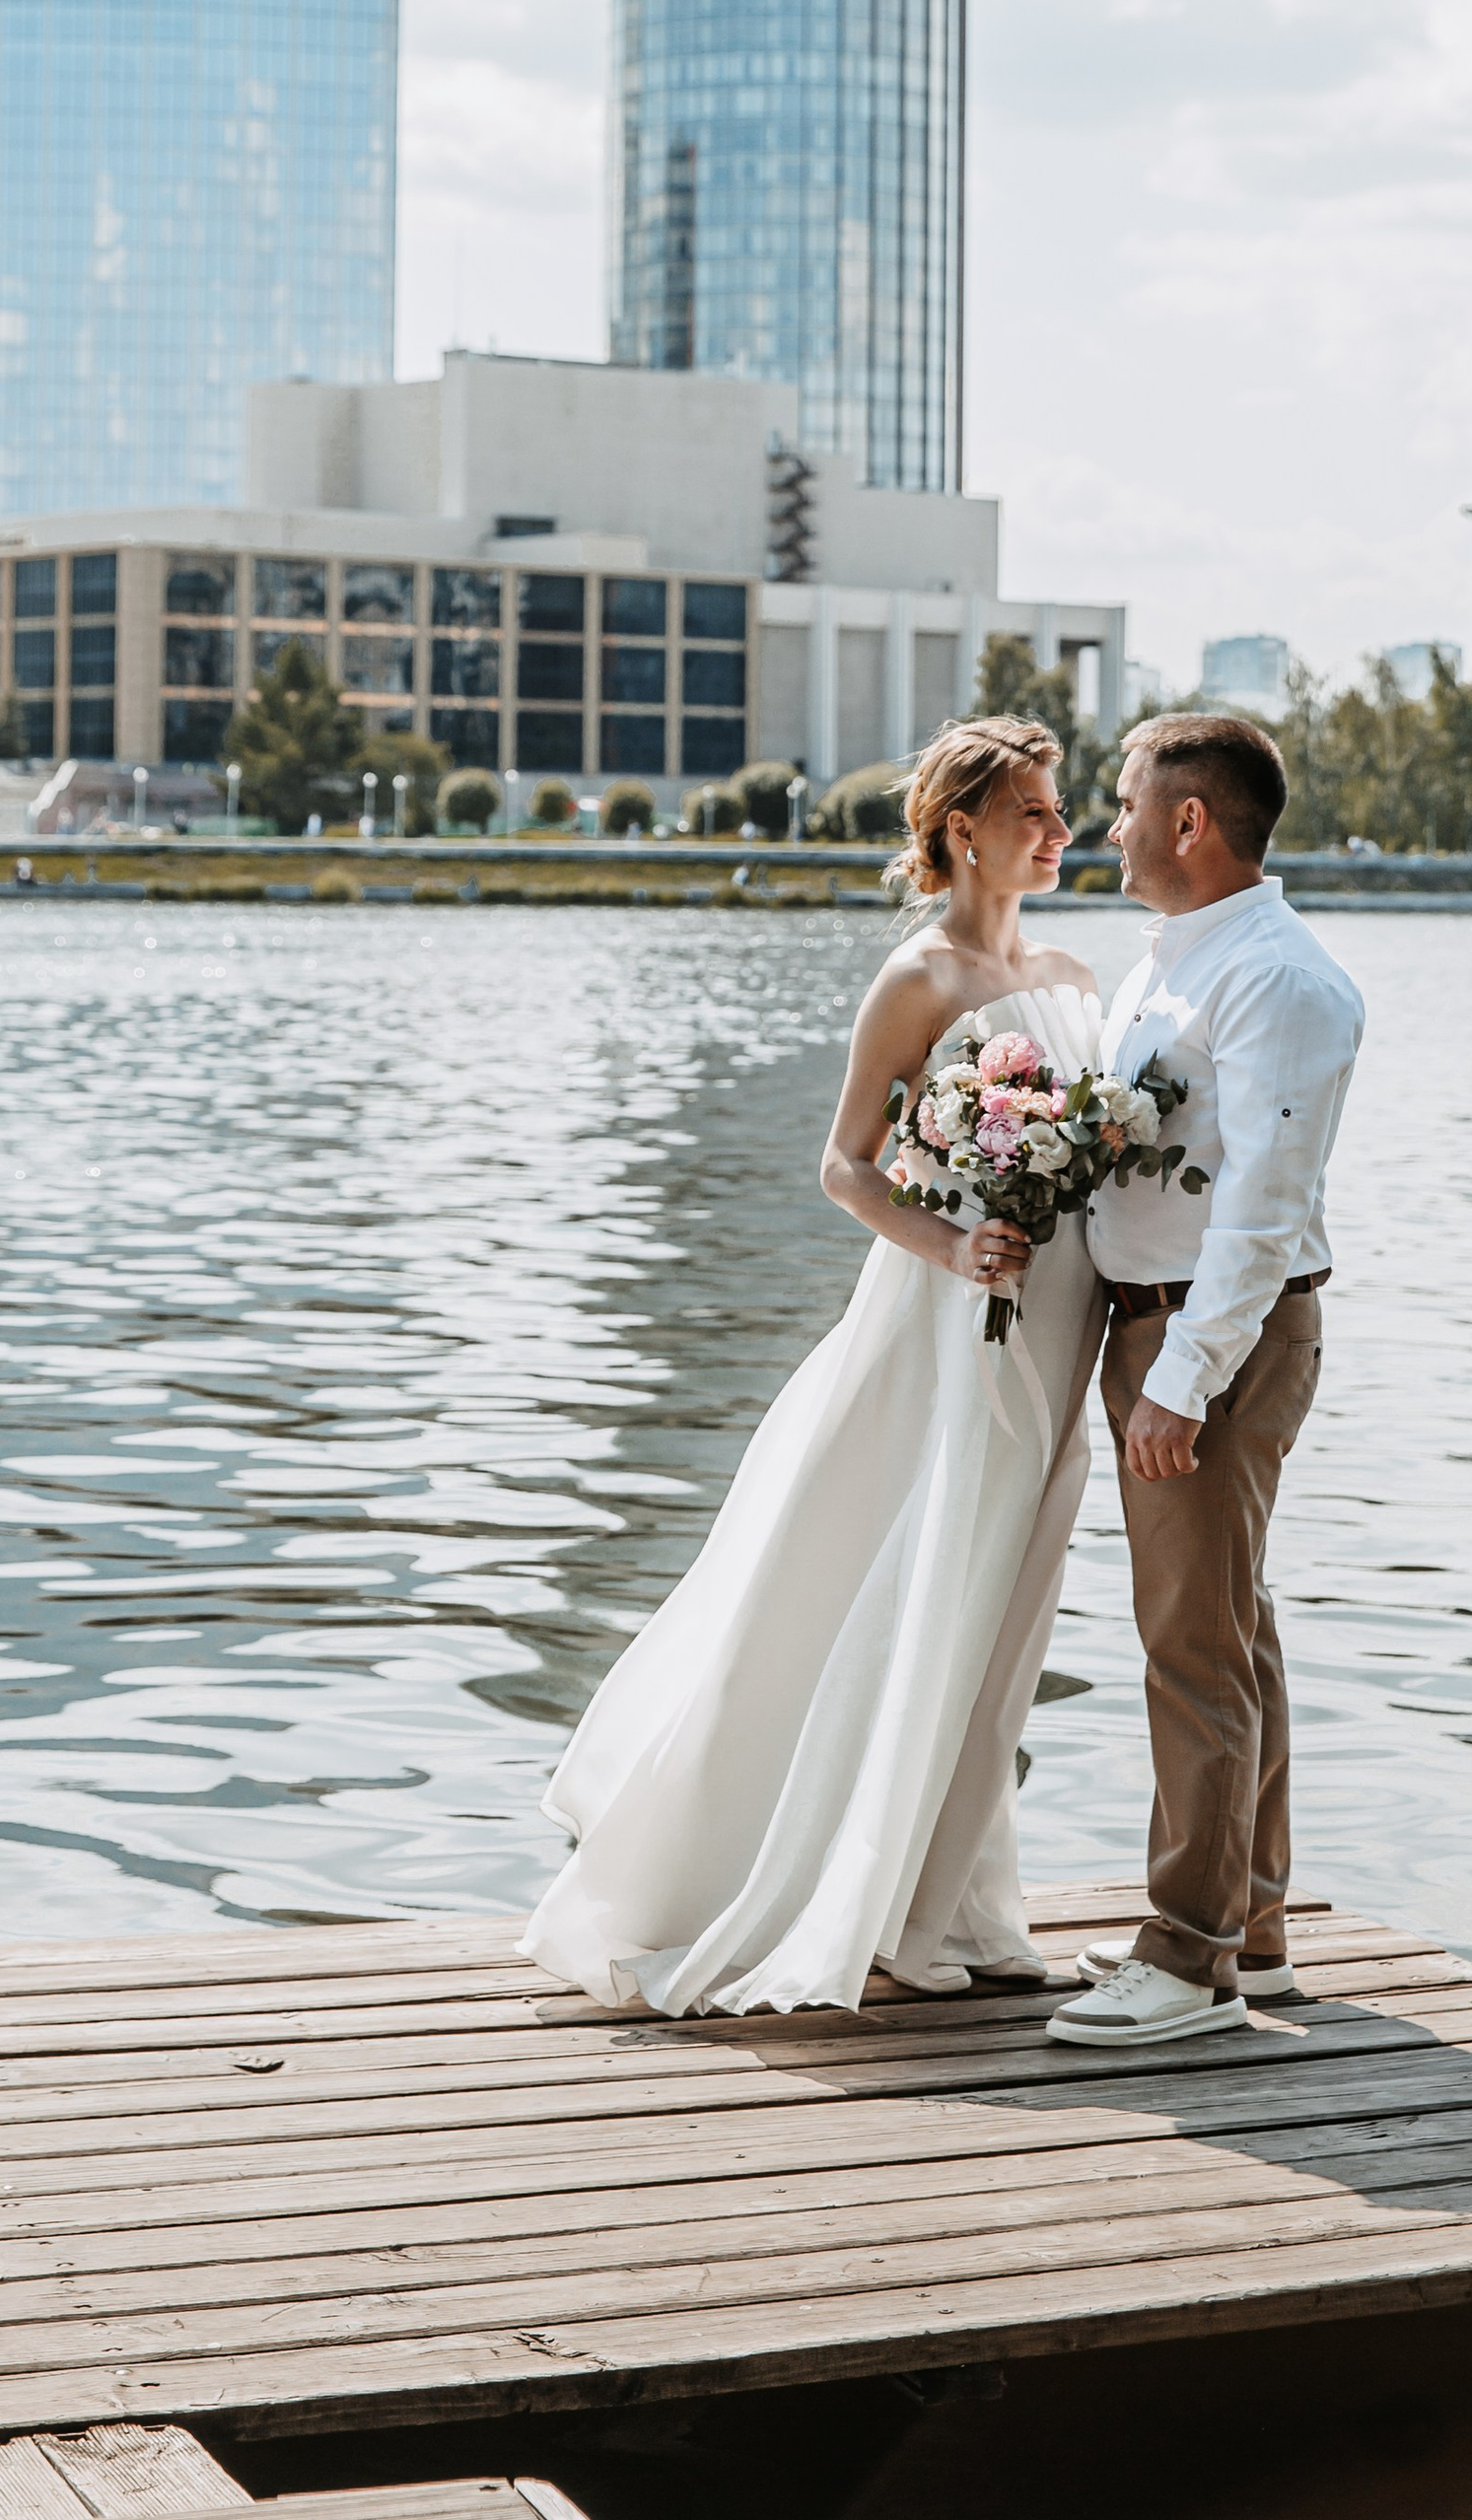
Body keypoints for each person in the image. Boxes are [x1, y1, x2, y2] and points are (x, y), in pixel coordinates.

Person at [524, 715, 1110, 2014]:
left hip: (1063, 1332)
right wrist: (955, 1241)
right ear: (963, 828)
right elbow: (845, 1164)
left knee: (1011, 1605)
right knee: (923, 1586)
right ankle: (869, 1899)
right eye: (1034, 811)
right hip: (953, 1325)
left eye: (1062, 810)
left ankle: (953, 1894)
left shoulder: (1073, 974)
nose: (1062, 832)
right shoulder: (918, 978)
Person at [1046, 711, 1365, 2054]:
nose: (1110, 827)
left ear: (1191, 821)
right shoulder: (1170, 966)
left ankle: (1187, 1960)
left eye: (1125, 802)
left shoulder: (1279, 979)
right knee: (1231, 1622)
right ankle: (1254, 1924)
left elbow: (1262, 1205)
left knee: (1190, 1644)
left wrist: (1180, 1379)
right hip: (1157, 1325)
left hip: (1211, 1339)